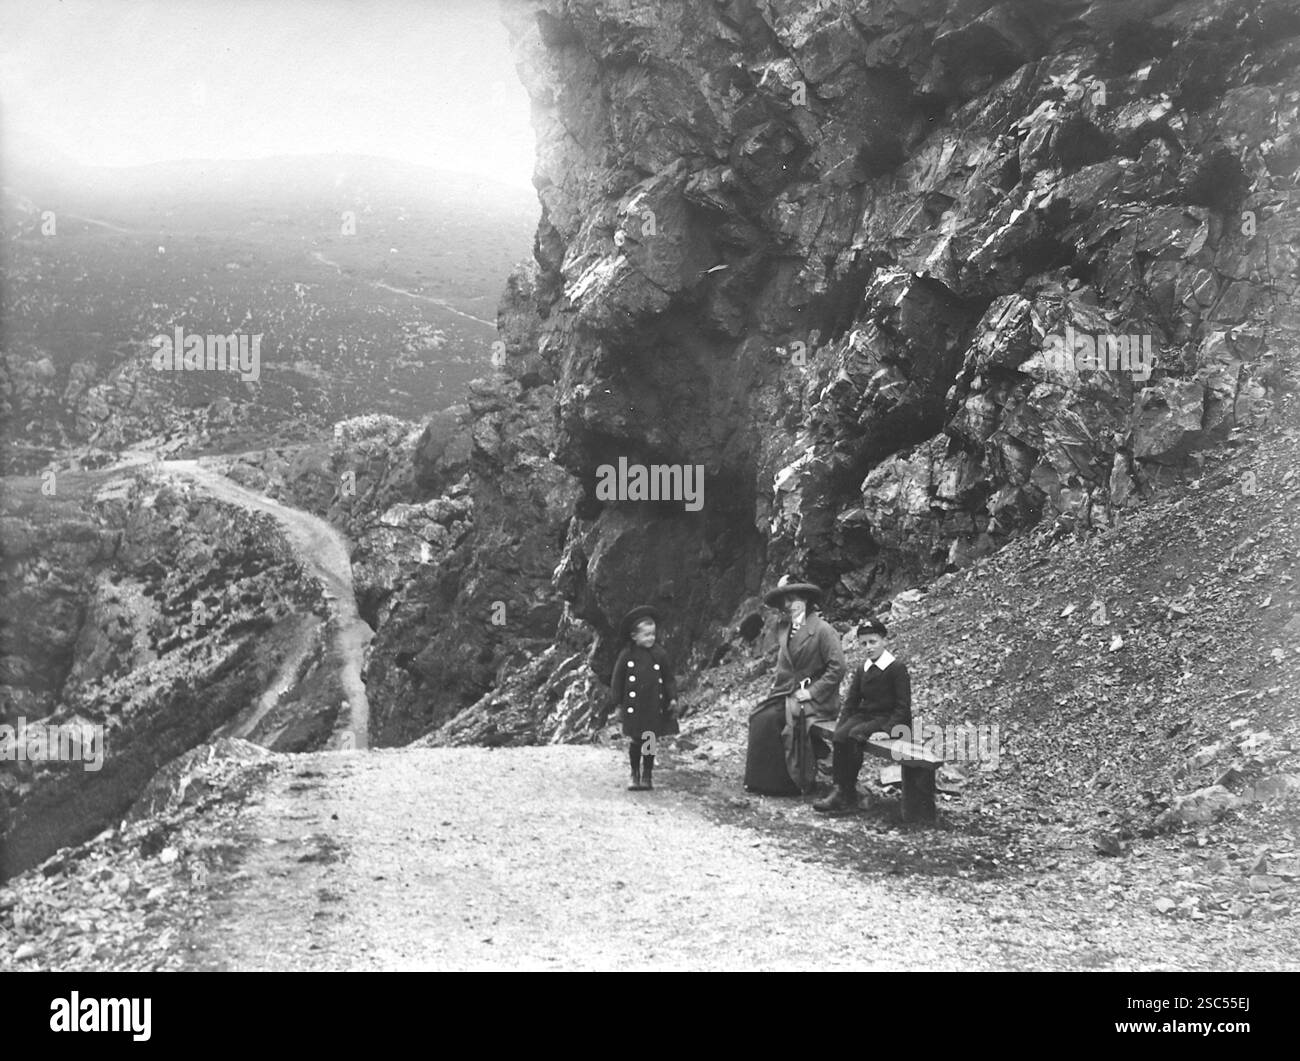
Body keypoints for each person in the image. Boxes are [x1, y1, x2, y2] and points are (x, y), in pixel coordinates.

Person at [743, 575, 845, 795]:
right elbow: (784, 670)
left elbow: (837, 668)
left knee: (778, 719)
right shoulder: (785, 629)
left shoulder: (823, 630)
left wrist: (811, 692)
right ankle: (760, 781)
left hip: (818, 699)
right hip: (787, 694)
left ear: (806, 600)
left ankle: (791, 783)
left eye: (793, 599)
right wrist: (775, 692)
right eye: (785, 601)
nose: (788, 605)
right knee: (759, 716)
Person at [814, 616, 912, 814]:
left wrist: (887, 731)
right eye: (864, 643)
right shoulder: (863, 669)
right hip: (867, 716)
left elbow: (903, 707)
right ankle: (841, 789)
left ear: (884, 640)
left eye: (873, 642)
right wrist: (841, 725)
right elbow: (851, 702)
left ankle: (846, 793)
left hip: (889, 719)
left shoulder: (896, 668)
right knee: (842, 736)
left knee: (855, 735)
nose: (869, 647)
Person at [606, 605, 679, 791]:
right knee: (635, 741)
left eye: (653, 634)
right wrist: (617, 704)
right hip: (633, 705)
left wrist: (672, 698)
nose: (651, 639)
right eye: (646, 635)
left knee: (650, 741)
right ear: (634, 636)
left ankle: (647, 774)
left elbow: (669, 679)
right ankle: (634, 773)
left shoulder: (660, 654)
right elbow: (617, 679)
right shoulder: (627, 655)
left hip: (653, 705)